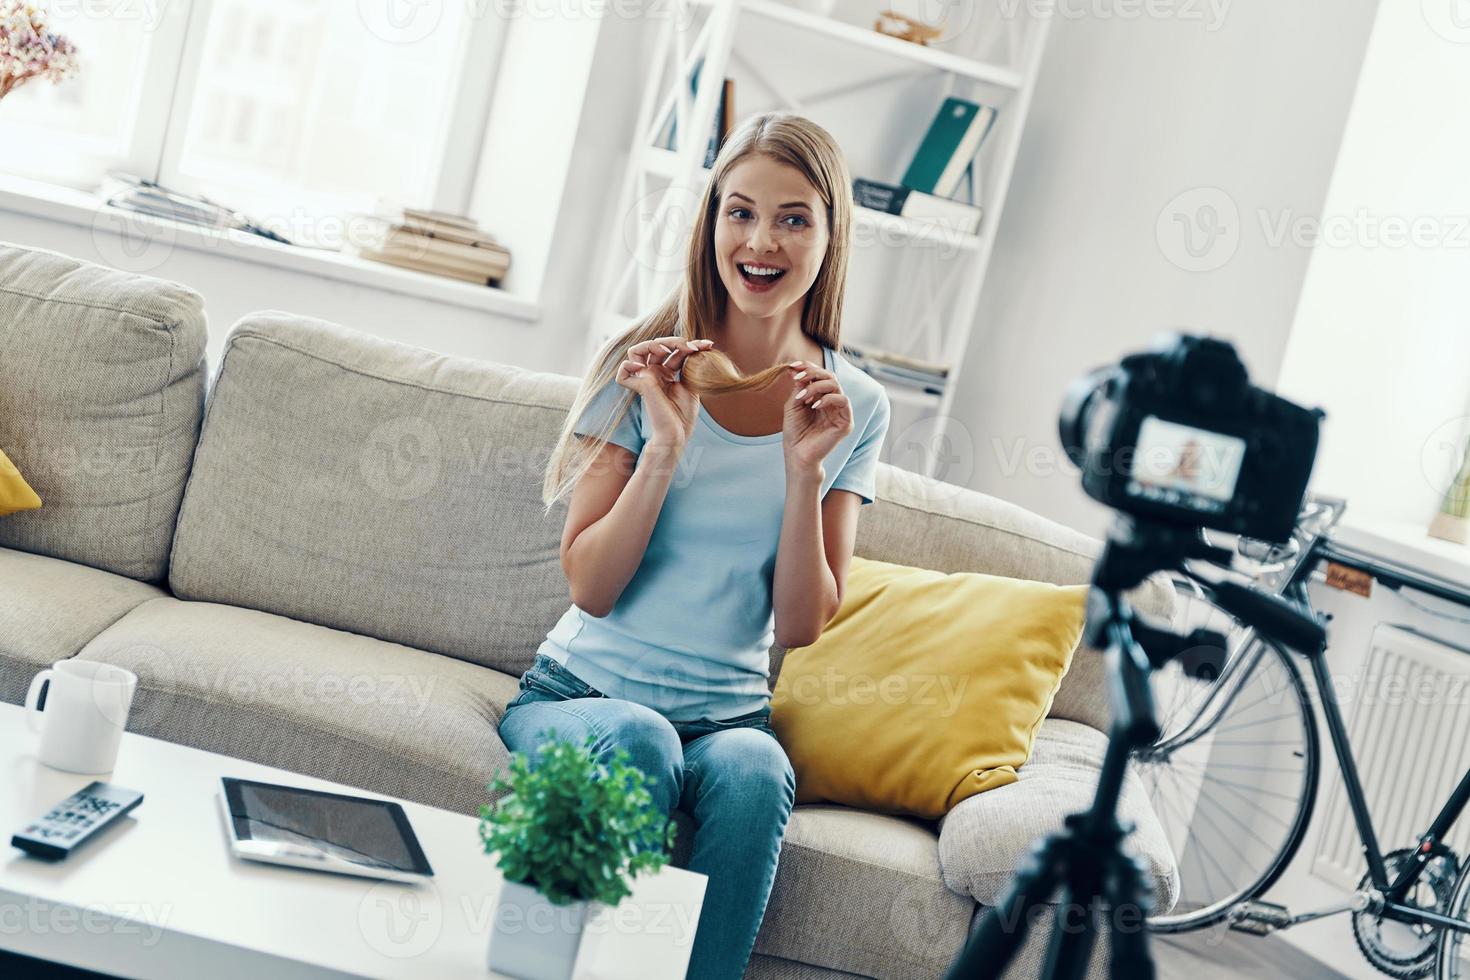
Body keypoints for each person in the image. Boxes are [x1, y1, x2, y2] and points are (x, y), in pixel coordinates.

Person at [500, 111, 891, 980]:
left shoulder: (853, 404)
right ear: (711, 220)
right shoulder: (643, 368)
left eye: (795, 218)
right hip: (582, 696)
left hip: (727, 720)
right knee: (640, 737)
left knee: (756, 766)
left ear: (832, 238)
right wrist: (667, 445)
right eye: (740, 211)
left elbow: (802, 624)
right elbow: (592, 590)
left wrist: (802, 473)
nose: (762, 240)